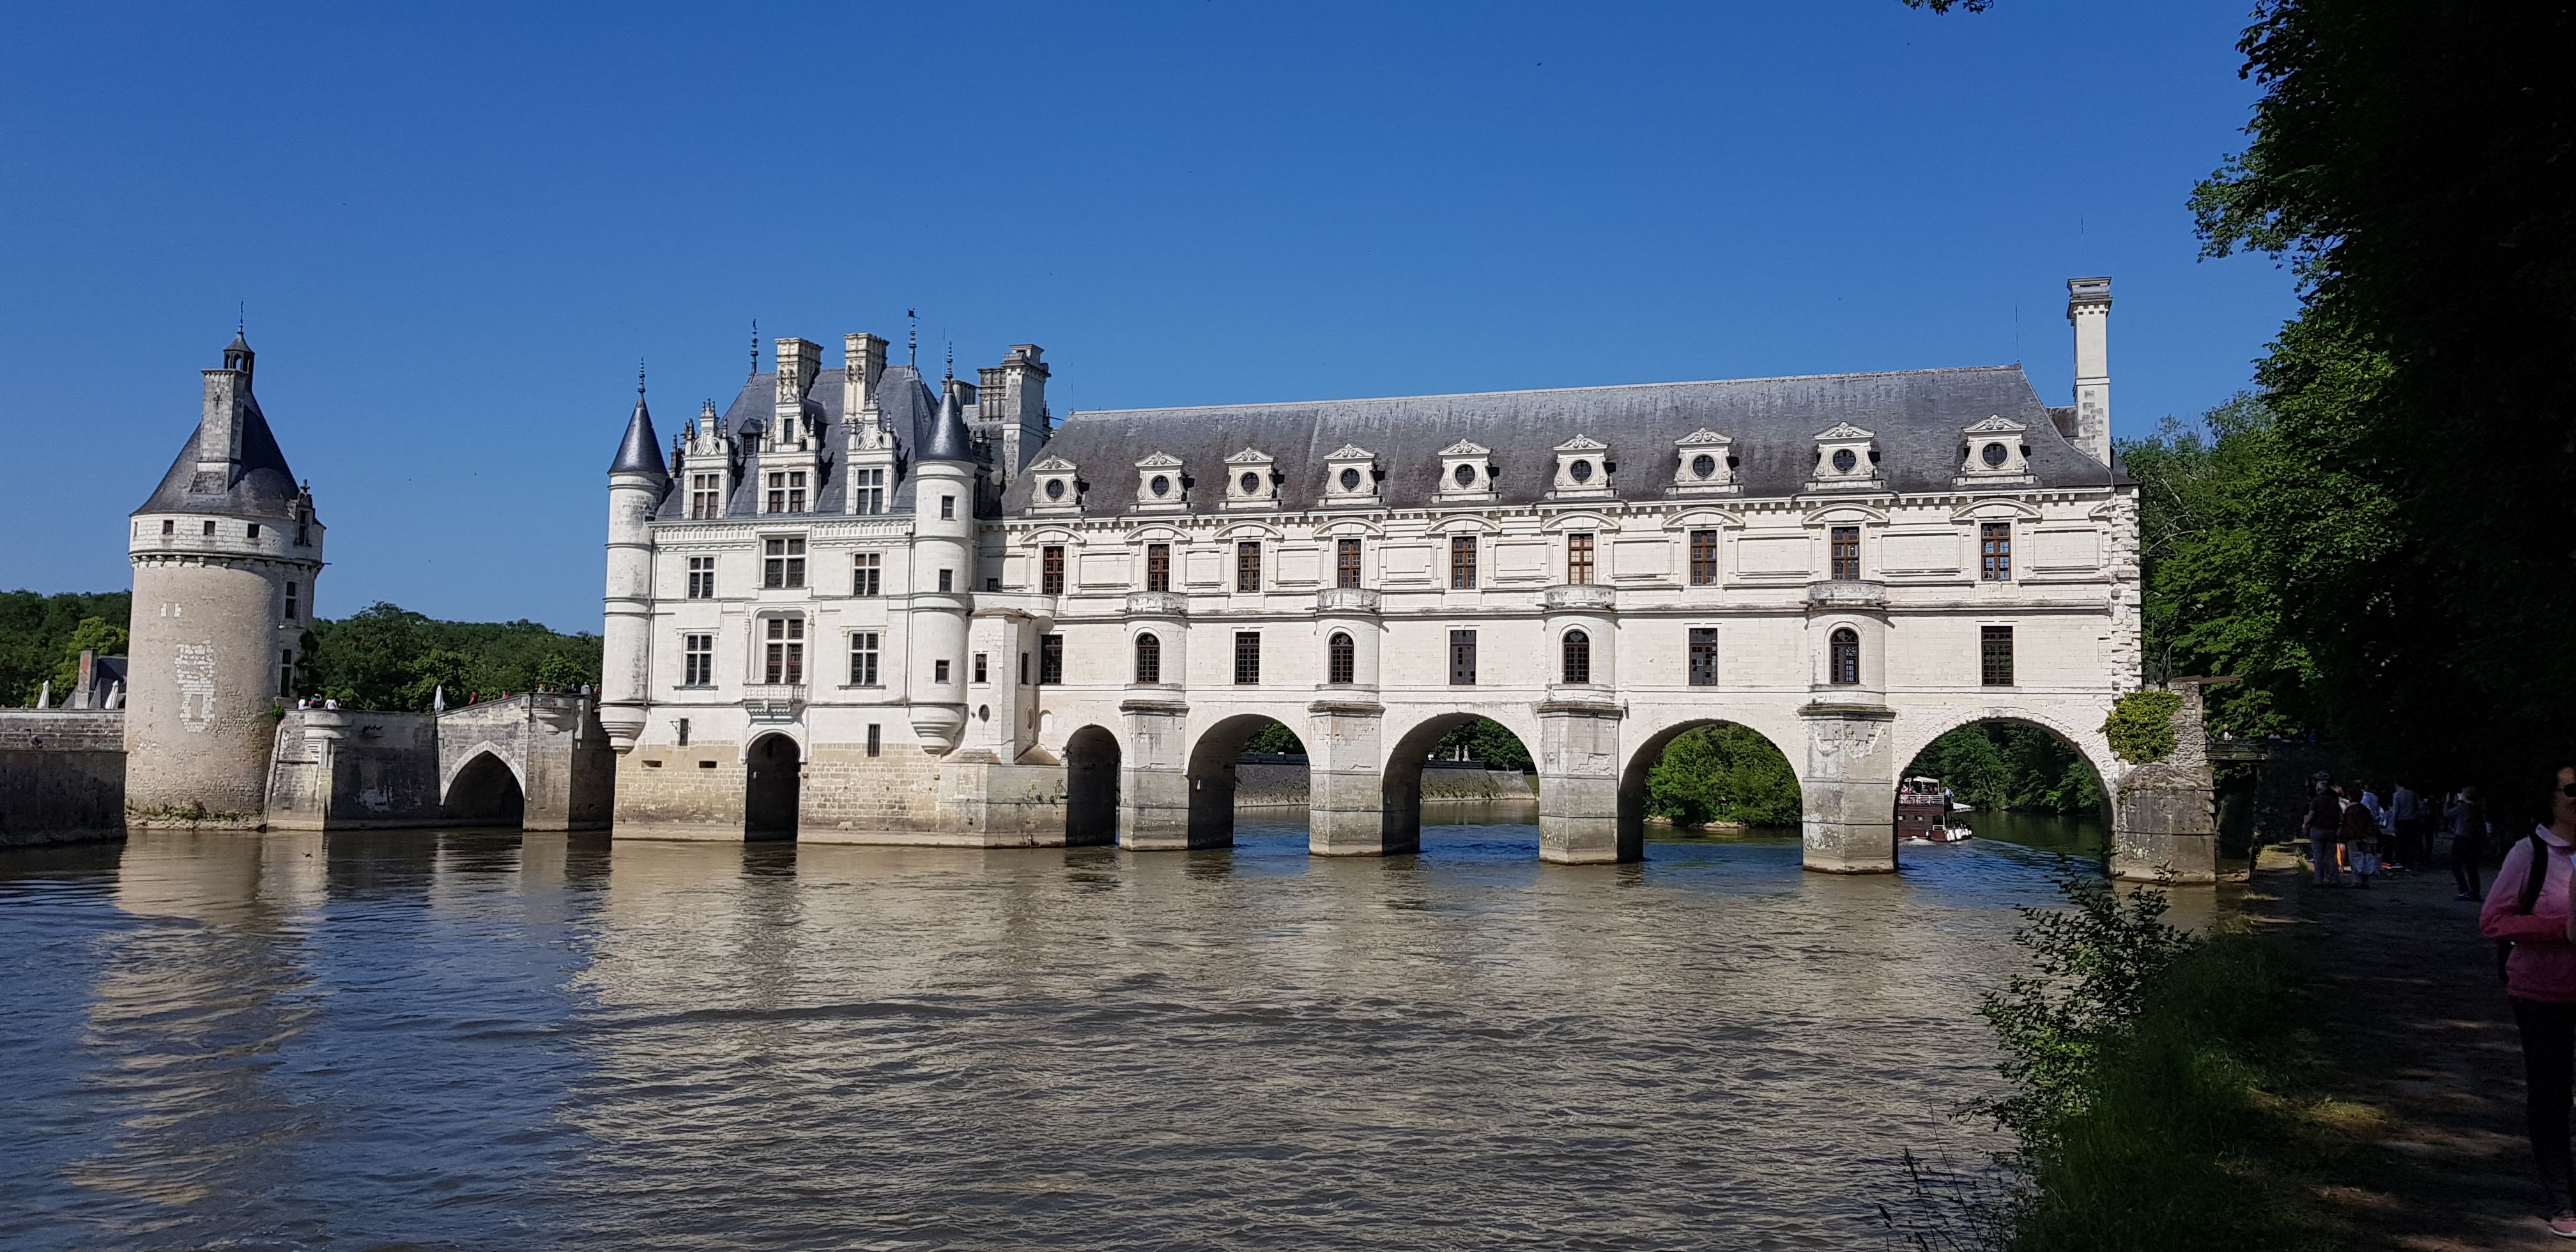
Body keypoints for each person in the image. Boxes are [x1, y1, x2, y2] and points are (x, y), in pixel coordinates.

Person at [2483, 763, 2576, 1237]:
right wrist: (2558, 931)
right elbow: (2494, 921)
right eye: (2572, 790)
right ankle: (2562, 1199)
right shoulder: (2531, 853)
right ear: (2553, 799)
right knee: (2552, 1093)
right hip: (2543, 992)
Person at [2341, 785, 2382, 889]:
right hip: (2367, 837)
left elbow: (2350, 824)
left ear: (2350, 797)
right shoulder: (2365, 809)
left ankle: (2356, 881)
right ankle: (2365, 881)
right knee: (2366, 858)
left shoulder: (2349, 810)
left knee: (2355, 859)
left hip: (2353, 837)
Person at [2451, 787, 2487, 901]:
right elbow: (2482, 826)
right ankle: (2475, 892)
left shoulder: (2462, 808)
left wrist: (2448, 802)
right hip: (2474, 839)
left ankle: (2464, 889)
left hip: (2461, 838)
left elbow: (2447, 814)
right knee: (2471, 867)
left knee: (2455, 865)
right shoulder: (2478, 809)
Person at [2307, 780, 2345, 886]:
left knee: (2318, 856)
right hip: (2332, 830)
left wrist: (2305, 825)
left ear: (2319, 790)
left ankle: (2319, 880)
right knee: (2331, 856)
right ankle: (2334, 879)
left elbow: (2311, 816)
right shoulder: (2334, 801)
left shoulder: (2316, 801)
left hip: (2317, 830)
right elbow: (2340, 817)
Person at [2392, 782, 2426, 872]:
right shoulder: (2412, 794)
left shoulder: (2397, 795)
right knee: (2411, 843)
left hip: (2401, 821)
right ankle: (2409, 864)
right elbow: (2417, 807)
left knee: (2400, 843)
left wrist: (2393, 823)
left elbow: (2396, 810)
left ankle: (2400, 862)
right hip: (2412, 820)